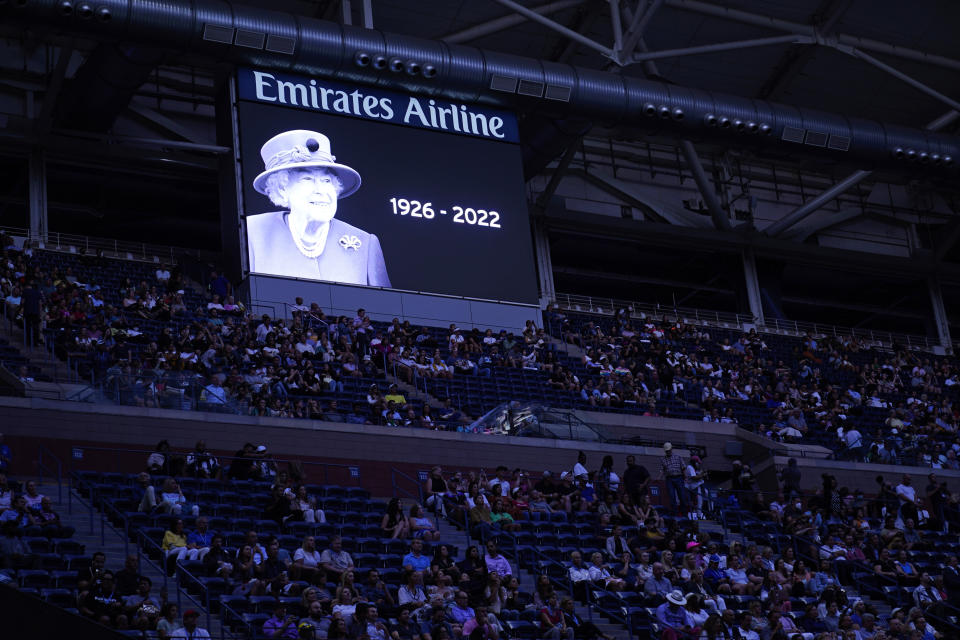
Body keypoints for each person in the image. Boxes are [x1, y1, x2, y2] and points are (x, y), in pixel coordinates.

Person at [247, 129, 391, 286]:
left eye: (326, 181)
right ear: (282, 189)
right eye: (307, 179)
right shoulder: (253, 231)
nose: (320, 190)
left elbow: (386, 307)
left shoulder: (365, 243)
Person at [658, 443, 686, 514]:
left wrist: (685, 477)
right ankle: (674, 512)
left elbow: (683, 468)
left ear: (671, 449)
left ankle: (683, 512)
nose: (668, 452)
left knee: (682, 495)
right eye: (667, 451)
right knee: (672, 496)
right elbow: (662, 470)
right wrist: (659, 478)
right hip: (669, 478)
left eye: (669, 450)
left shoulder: (678, 457)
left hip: (679, 477)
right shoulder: (663, 459)